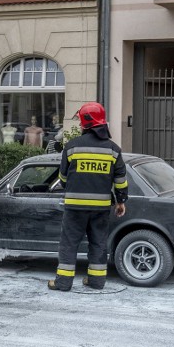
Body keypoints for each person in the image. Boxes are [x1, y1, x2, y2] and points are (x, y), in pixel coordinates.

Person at [49, 102, 128, 291]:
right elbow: (121, 180)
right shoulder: (113, 149)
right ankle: (96, 282)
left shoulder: (72, 147)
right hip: (100, 208)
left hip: (75, 207)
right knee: (98, 244)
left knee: (69, 244)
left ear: (86, 122)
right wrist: (121, 201)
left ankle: (63, 283)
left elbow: (63, 178)